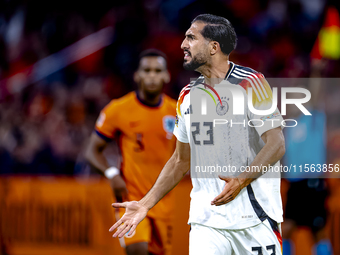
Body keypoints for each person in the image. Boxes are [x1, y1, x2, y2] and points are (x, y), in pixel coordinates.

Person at [109, 14, 285, 255]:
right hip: (206, 223)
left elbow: (276, 144)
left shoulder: (251, 83)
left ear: (214, 47)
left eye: (191, 38)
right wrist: (144, 205)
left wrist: (241, 179)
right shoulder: (187, 96)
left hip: (254, 219)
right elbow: (181, 160)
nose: (183, 44)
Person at [85, 49, 177, 255]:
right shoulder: (118, 109)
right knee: (137, 250)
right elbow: (92, 151)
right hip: (131, 199)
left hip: (163, 203)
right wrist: (111, 174)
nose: (152, 75)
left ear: (166, 75)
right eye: (146, 70)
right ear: (137, 75)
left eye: (157, 70)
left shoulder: (177, 111)